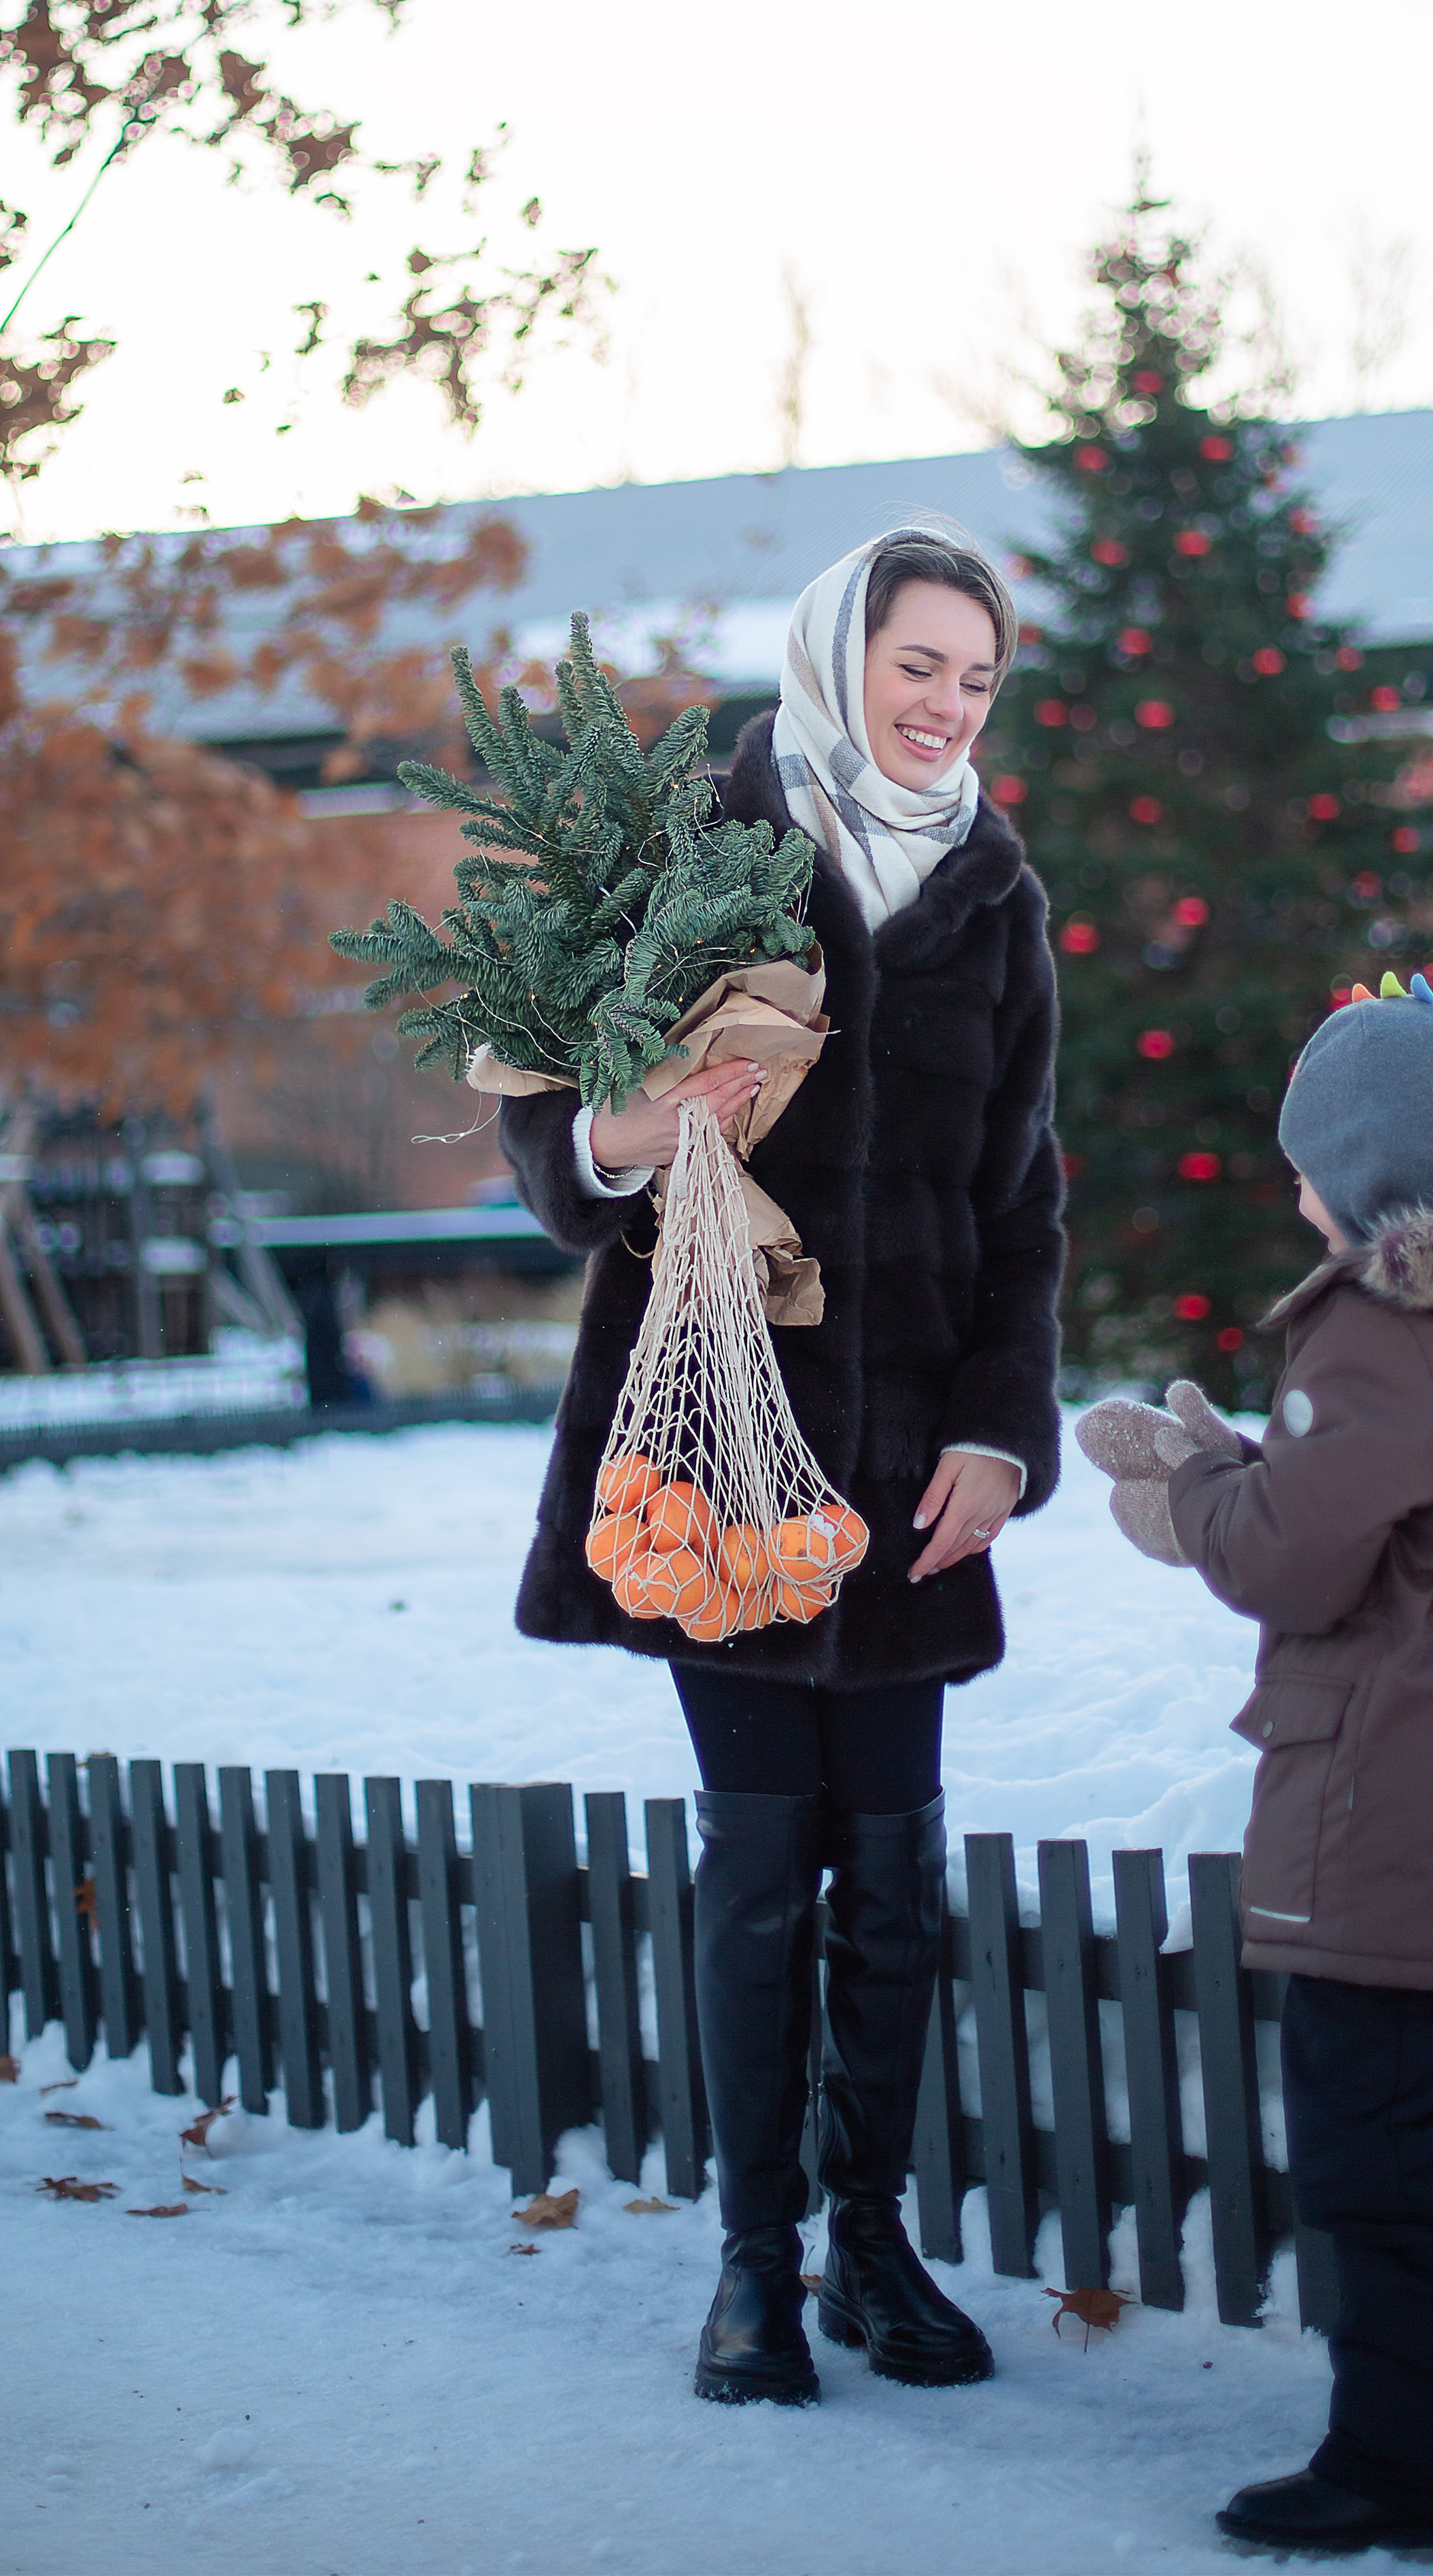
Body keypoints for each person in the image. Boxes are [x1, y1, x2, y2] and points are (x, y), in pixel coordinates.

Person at [498, 526, 1065, 2406]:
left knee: (890, 1875)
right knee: (762, 1867)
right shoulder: (705, 852)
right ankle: (753, 2265)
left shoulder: (998, 895)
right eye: (919, 665)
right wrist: (623, 1125)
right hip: (715, 1455)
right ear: (842, 655)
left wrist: (1003, 1428)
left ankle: (873, 2244)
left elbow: (1023, 1207)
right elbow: (549, 1144)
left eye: (976, 679)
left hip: (912, 1465)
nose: (945, 706)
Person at [1077, 974, 1433, 2561]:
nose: (1291, 1185)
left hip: (1389, 1758)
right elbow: (1407, 1510)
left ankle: (1413, 2466)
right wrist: (1250, 1465)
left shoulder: (1380, 1323)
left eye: (1303, 1157)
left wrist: (1190, 1500)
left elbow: (1298, 1570)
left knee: (1370, 2147)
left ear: (1365, 1165)